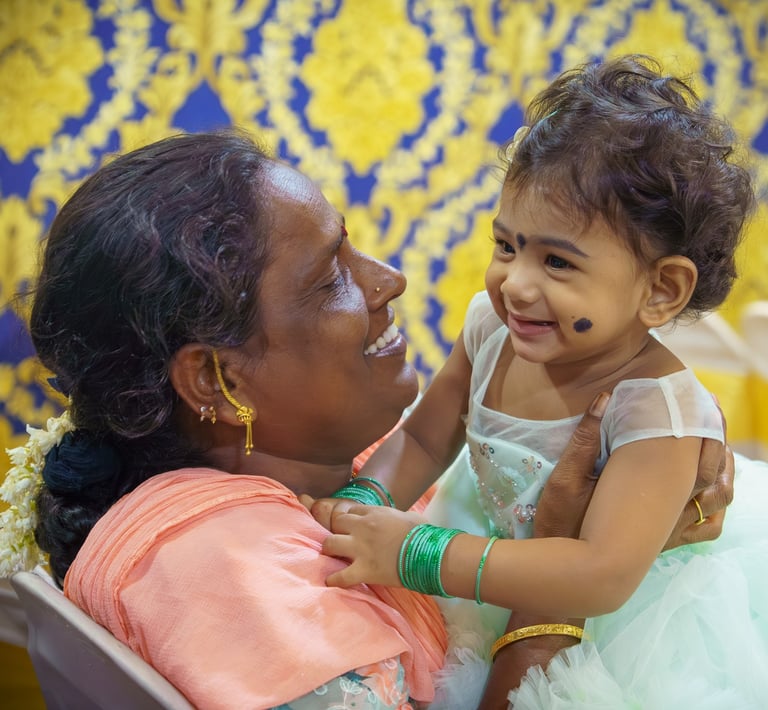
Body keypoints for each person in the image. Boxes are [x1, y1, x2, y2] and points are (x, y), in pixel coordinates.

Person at [0, 129, 731, 710]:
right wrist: (545, 611)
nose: (390, 278)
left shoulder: (317, 463)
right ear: (218, 379)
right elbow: (433, 449)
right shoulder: (235, 584)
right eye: (329, 278)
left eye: (558, 261)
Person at [311, 55, 768, 707]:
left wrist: (419, 552)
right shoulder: (490, 331)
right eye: (507, 245)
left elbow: (601, 573)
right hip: (485, 559)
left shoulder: (655, 409)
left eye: (556, 260)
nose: (515, 283)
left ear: (662, 290)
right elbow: (421, 442)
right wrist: (365, 498)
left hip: (615, 626)